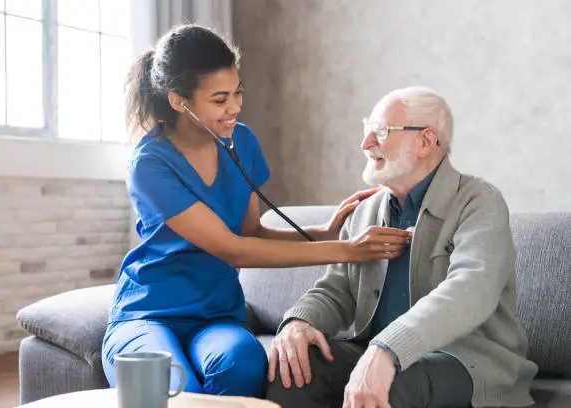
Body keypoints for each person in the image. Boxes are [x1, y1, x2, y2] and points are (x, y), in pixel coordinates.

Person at [101, 24, 411, 398]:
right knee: (171, 386)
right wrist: (347, 250)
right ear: (179, 102)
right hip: (150, 311)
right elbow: (231, 249)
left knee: (242, 365)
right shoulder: (149, 164)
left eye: (237, 93)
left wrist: (325, 232)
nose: (234, 107)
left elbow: (250, 231)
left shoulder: (241, 141)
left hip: (216, 316)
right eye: (219, 100)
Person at [266, 86, 538, 408]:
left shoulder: (479, 201)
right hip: (378, 352)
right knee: (294, 369)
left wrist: (389, 348)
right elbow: (336, 291)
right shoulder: (365, 210)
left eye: (380, 132)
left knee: (397, 385)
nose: (365, 144)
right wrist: (299, 322)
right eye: (367, 131)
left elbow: (470, 291)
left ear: (426, 141)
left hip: (466, 359)